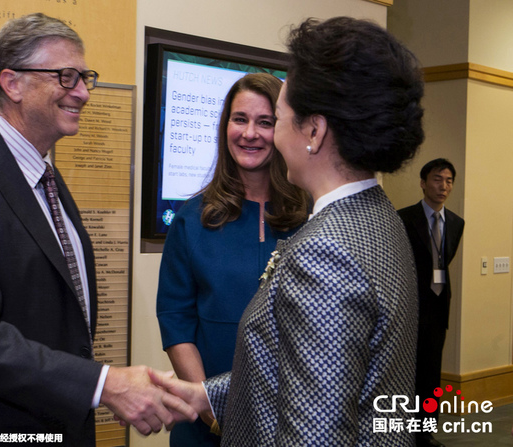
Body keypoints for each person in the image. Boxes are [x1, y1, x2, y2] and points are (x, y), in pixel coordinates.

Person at [0, 13, 195, 446]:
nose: (82, 92)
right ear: (13, 83)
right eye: (66, 76)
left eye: (85, 77)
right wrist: (104, 384)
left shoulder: (46, 175)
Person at [150, 16, 424, 446]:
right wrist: (204, 395)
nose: (269, 135)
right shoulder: (380, 217)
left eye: (276, 118)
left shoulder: (325, 251)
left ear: (313, 130)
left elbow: (315, 433)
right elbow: (307, 372)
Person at [156, 73, 309, 446]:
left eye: (265, 122)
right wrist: (209, 405)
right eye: (239, 119)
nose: (249, 133)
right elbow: (176, 319)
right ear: (225, 125)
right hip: (205, 422)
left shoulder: (311, 219)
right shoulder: (193, 218)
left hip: (289, 419)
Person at [398, 159, 465, 447]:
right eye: (438, 179)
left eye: (449, 180)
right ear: (423, 183)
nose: (444, 186)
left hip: (439, 309)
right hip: (411, 308)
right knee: (407, 373)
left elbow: (443, 263)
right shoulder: (404, 218)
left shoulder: (456, 223)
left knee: (431, 375)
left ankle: (425, 435)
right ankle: (404, 432)